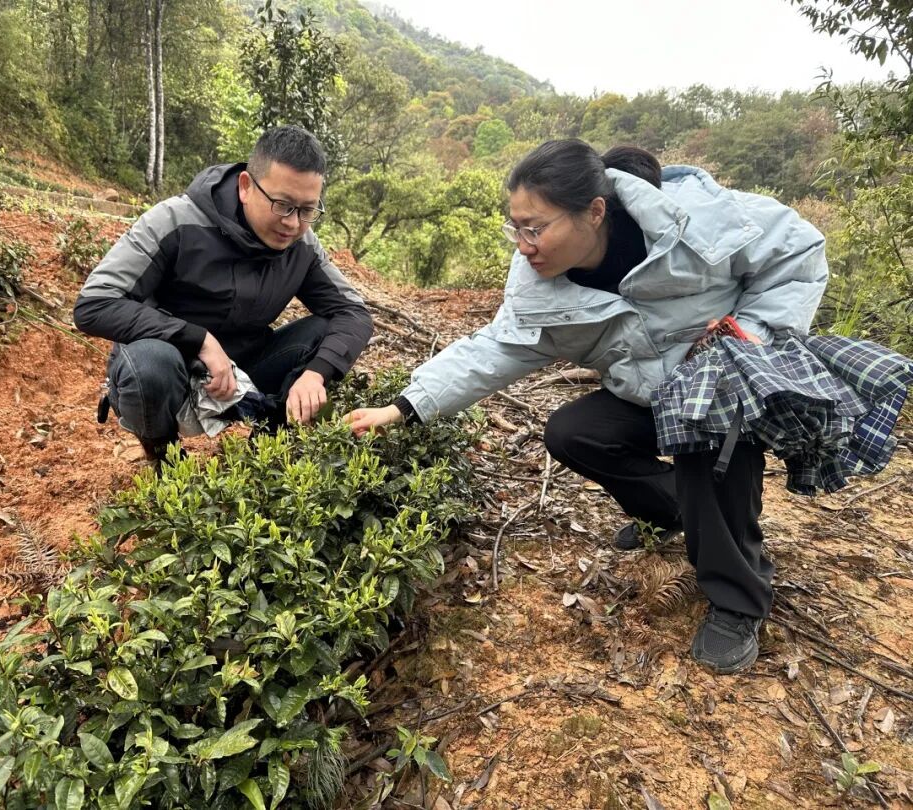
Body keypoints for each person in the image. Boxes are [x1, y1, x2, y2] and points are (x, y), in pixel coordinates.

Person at [344, 139, 828, 675]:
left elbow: (798, 252)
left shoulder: (696, 223)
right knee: (574, 433)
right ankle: (675, 512)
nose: (524, 245)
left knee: (706, 448)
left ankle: (739, 599)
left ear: (594, 212)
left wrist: (752, 333)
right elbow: (492, 350)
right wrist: (404, 406)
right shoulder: (543, 289)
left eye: (535, 228)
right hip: (650, 395)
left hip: (723, 391)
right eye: (515, 228)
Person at [74, 125, 374, 462]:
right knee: (147, 364)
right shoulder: (175, 221)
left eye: (307, 210)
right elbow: (94, 304)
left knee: (326, 334)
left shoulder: (301, 245)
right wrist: (199, 340)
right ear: (246, 186)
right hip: (172, 365)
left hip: (245, 367)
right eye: (282, 205)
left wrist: (315, 373)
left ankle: (266, 454)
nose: (292, 223)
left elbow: (354, 313)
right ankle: (163, 455)